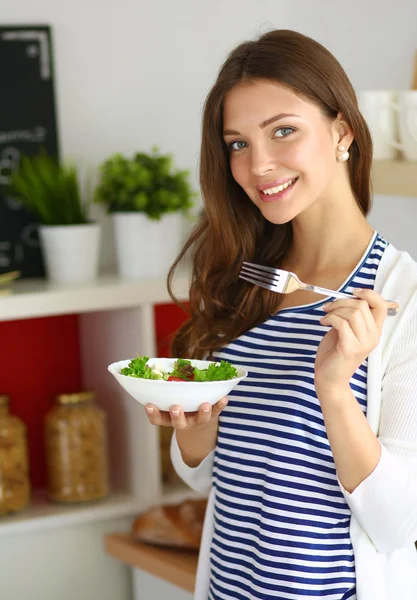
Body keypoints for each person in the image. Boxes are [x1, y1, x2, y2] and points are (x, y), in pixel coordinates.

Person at [145, 29, 417, 600]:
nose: (258, 165)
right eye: (237, 143)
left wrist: (335, 389)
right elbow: (214, 474)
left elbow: (398, 527)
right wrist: (193, 431)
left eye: (283, 131)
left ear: (342, 131)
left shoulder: (403, 297)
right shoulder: (241, 279)